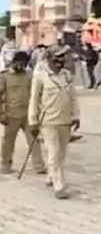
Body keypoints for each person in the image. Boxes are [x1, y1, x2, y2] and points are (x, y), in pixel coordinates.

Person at [28, 45, 81, 199]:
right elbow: (34, 100)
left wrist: (76, 116)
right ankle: (59, 186)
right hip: (47, 121)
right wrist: (33, 120)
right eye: (57, 57)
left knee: (62, 153)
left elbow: (73, 97)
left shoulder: (67, 76)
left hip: (65, 120)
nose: (60, 60)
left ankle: (52, 175)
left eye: (62, 57)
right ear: (49, 59)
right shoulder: (40, 77)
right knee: (54, 153)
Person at [0, 51, 46, 175]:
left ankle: (39, 166)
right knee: (8, 141)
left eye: (23, 64)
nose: (21, 66)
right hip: (11, 114)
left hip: (28, 114)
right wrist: (1, 114)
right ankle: (5, 165)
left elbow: (37, 94)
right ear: (13, 62)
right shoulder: (4, 76)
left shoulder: (30, 76)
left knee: (34, 140)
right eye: (18, 63)